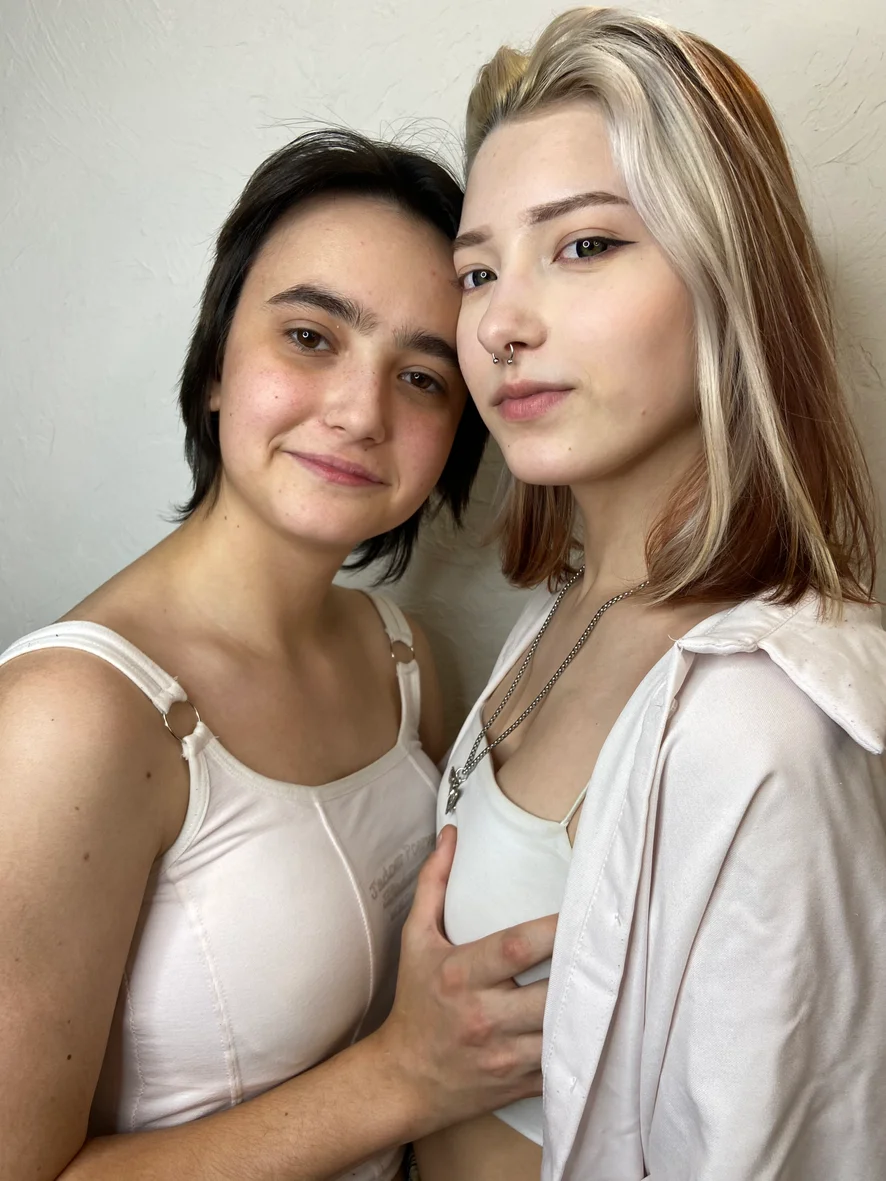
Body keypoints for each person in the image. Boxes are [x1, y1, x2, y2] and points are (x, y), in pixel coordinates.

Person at [0, 129, 557, 1181]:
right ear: (216, 363)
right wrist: (405, 1076)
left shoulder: (404, 657)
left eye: (423, 377)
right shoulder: (66, 716)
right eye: (310, 336)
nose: (359, 412)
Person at [414, 8, 886, 1181]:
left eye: (583, 245)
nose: (500, 323)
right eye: (477, 270)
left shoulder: (765, 721)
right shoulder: (557, 615)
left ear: (729, 272)